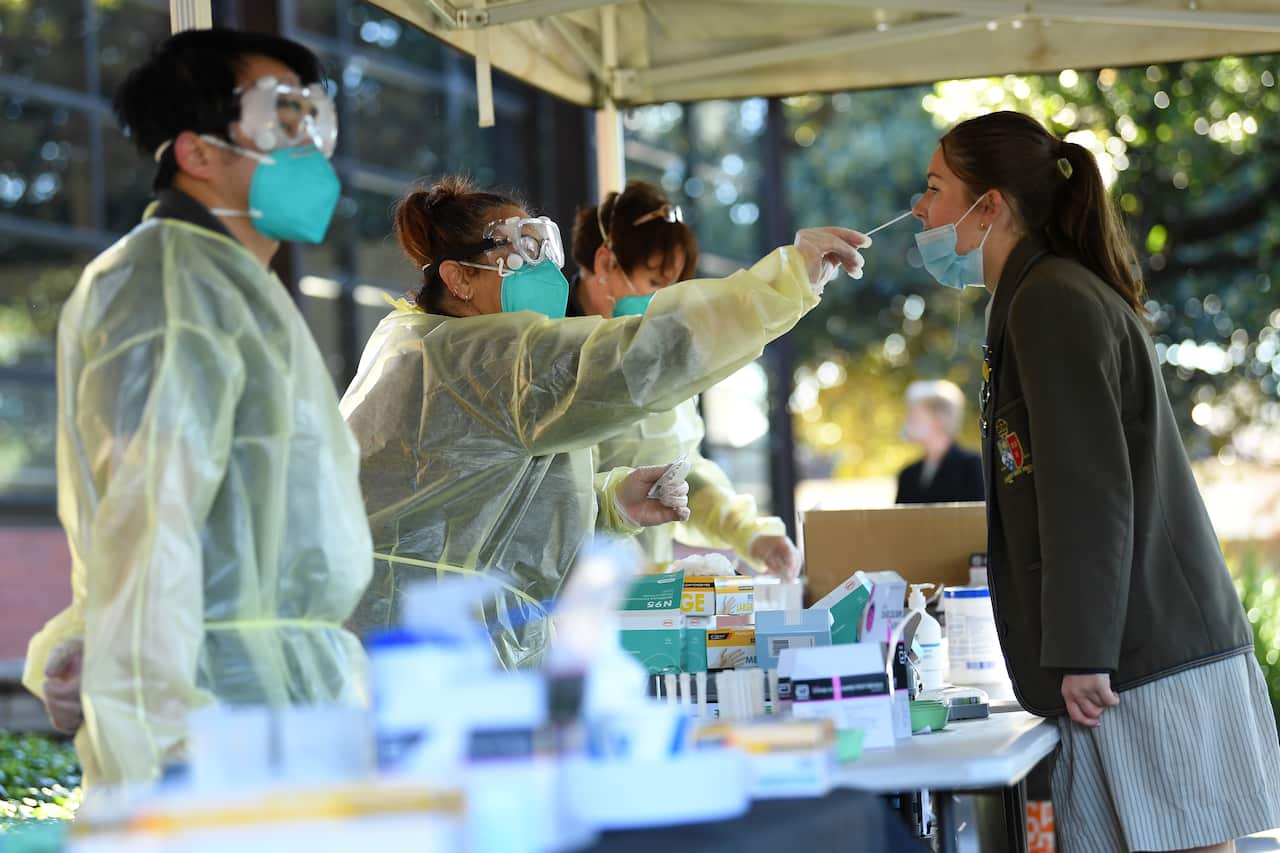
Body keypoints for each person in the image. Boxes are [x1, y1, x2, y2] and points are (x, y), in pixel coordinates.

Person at [911, 110, 1280, 853]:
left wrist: (1083, 652)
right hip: (1135, 647)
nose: (920, 209)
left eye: (935, 187)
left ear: (990, 205)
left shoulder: (1050, 299)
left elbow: (1087, 490)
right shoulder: (1041, 294)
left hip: (1138, 653)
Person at [23, 29, 374, 794]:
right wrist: (172, 748)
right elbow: (150, 528)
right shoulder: (171, 284)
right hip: (214, 723)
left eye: (314, 120)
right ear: (197, 152)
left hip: (277, 703)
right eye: (280, 119)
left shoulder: (232, 286)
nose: (307, 147)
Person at [341, 178, 867, 668]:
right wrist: (787, 280)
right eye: (519, 254)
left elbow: (473, 509)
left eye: (543, 249)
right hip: (437, 652)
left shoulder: (418, 347)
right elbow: (650, 352)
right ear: (458, 278)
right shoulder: (484, 359)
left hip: (426, 643)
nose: (541, 271)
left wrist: (609, 504)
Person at [570, 182, 802, 576]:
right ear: (606, 263)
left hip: (645, 586)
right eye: (655, 284)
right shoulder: (554, 355)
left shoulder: (656, 353)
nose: (666, 303)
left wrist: (749, 534)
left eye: (675, 288)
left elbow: (682, 471)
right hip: (570, 590)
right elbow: (558, 499)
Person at [894, 379, 985, 504]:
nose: (907, 420)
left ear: (939, 419)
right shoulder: (908, 474)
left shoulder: (972, 467)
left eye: (914, 415)